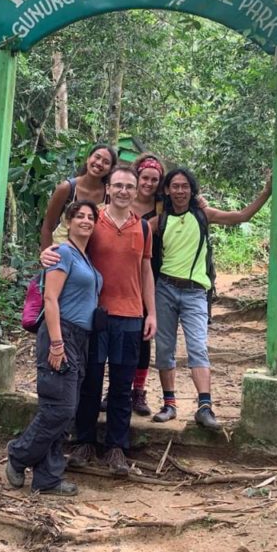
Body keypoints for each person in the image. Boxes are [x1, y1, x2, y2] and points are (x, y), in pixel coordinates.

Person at [40, 165, 157, 476]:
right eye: (117, 185)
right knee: (89, 381)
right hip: (95, 315)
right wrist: (46, 255)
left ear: (136, 191)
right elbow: (66, 248)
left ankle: (117, 447)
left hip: (131, 315)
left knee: (121, 384)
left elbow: (146, 271)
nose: (123, 191)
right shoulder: (93, 221)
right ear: (108, 189)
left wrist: (152, 312)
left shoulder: (143, 228)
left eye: (129, 187)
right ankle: (84, 441)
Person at [150, 167, 271, 430]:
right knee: (164, 349)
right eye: (175, 186)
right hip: (165, 290)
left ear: (192, 190)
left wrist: (266, 192)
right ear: (167, 190)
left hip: (195, 292)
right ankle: (169, 405)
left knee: (198, 347)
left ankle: (205, 407)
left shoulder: (203, 214)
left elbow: (241, 216)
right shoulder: (159, 221)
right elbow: (131, 237)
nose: (180, 191)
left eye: (185, 186)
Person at [7, 201, 103, 496]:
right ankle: (19, 454)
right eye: (80, 217)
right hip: (61, 334)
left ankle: (47, 477)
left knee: (63, 409)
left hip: (81, 337)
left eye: (91, 217)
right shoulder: (62, 253)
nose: (86, 221)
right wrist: (58, 343)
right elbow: (51, 299)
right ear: (68, 222)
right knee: (59, 408)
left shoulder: (84, 258)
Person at [128, 154, 166, 416]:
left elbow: (190, 206)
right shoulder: (121, 199)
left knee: (143, 334)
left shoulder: (164, 206)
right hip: (118, 275)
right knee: (114, 332)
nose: (149, 183)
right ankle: (115, 389)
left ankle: (138, 391)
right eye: (145, 178)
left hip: (149, 273)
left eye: (155, 179)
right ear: (137, 177)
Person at [40, 143, 118, 249]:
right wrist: (46, 256)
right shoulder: (67, 188)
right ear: (88, 159)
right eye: (97, 157)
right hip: (61, 251)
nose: (99, 163)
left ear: (110, 169)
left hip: (90, 256)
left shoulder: (108, 194)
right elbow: (48, 226)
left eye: (106, 162)